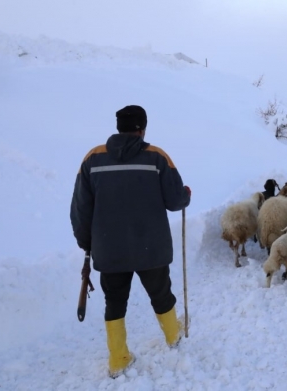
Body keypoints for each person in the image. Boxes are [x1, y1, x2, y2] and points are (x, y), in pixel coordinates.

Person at [70, 105, 191, 378]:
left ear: (118, 127)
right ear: (142, 128)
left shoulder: (93, 159)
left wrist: (86, 242)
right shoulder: (157, 158)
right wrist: (185, 195)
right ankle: (173, 336)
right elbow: (175, 201)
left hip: (108, 247)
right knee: (161, 293)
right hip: (151, 246)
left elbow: (80, 208)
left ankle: (118, 358)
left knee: (114, 301)